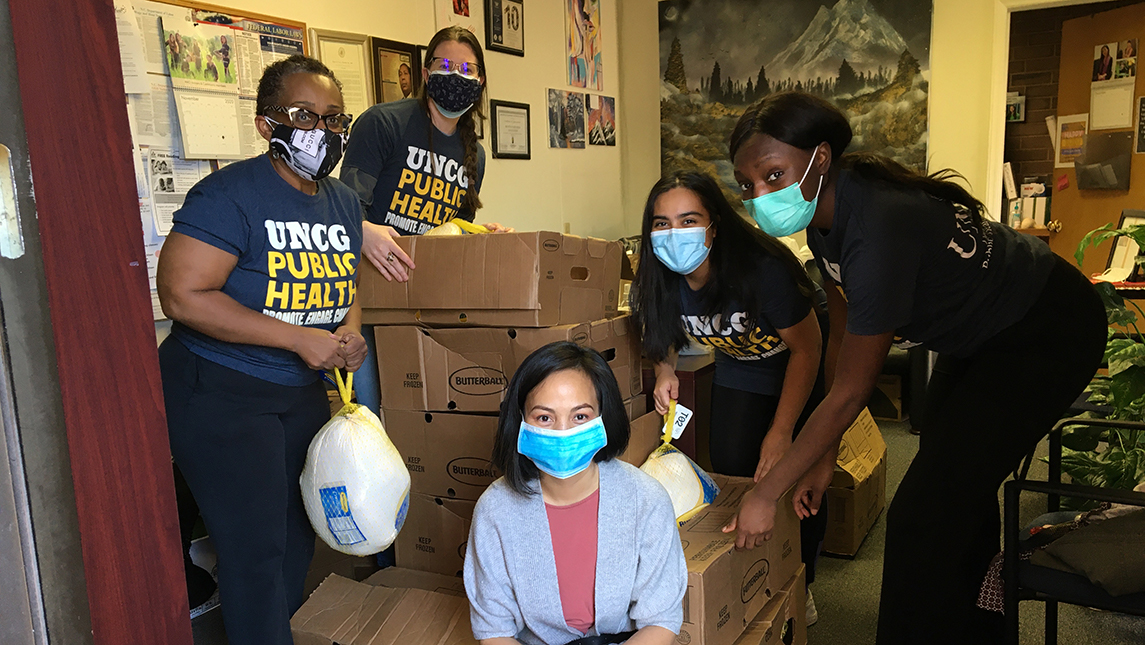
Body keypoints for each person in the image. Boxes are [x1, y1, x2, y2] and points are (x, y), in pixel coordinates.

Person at [723, 91, 1106, 644]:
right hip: (977, 336)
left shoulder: (878, 225)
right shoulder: (822, 226)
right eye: (747, 184)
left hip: (1045, 327)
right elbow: (840, 343)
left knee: (920, 518)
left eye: (773, 175)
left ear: (820, 157)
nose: (759, 196)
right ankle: (978, 629)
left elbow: (854, 389)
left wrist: (766, 494)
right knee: (955, 495)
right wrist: (824, 457)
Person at [156, 55, 366, 645]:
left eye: (333, 118)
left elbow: (346, 287)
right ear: (265, 124)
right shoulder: (229, 194)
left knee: (298, 536)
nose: (320, 132)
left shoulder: (343, 202)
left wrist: (349, 334)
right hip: (219, 389)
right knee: (255, 545)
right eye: (303, 115)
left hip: (298, 392)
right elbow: (181, 293)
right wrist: (299, 338)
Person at [630, 171, 829, 622]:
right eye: (661, 223)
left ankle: (802, 576)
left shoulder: (761, 268)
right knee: (735, 467)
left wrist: (781, 432)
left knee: (797, 470)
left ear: (714, 226)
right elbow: (658, 328)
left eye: (688, 220)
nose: (673, 234)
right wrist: (664, 370)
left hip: (800, 357)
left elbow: (807, 348)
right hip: (740, 364)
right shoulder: (658, 273)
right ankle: (754, 565)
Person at [464, 341, 686, 645]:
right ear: (519, 421)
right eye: (544, 417)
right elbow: (494, 631)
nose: (563, 432)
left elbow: (661, 620)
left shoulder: (646, 499)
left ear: (603, 417)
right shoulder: (495, 510)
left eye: (579, 416)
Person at [340, 26, 510, 416]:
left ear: (480, 81)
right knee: (372, 415)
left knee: (429, 417)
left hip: (428, 304)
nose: (456, 76)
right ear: (425, 72)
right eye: (446, 64)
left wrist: (482, 236)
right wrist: (364, 231)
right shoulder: (384, 124)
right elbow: (343, 207)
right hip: (369, 301)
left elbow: (451, 234)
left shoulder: (475, 156)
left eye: (468, 69)